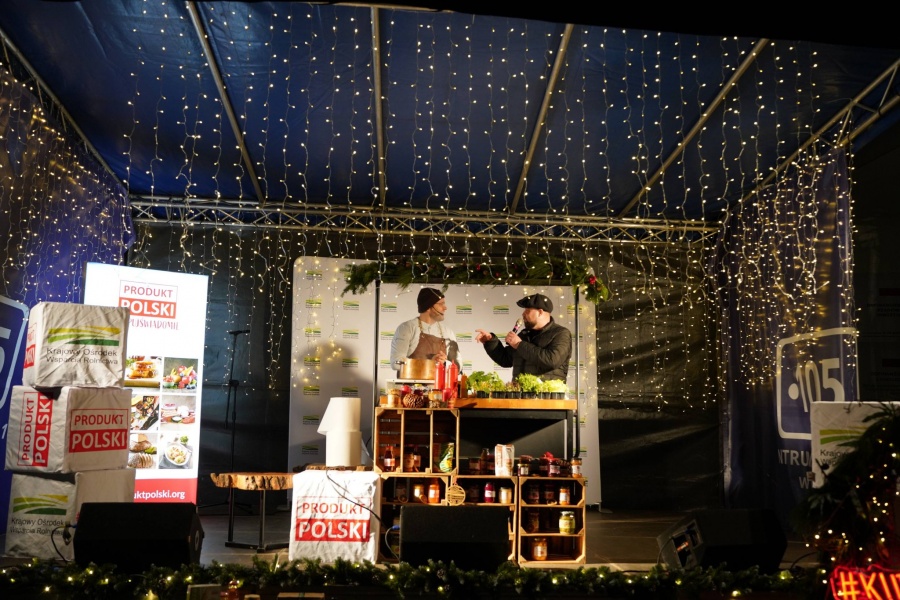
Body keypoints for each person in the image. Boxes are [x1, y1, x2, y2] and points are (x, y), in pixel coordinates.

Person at [474, 293, 572, 382]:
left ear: (540, 312)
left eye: (527, 310)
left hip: (547, 394)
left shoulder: (561, 333)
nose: (523, 314)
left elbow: (552, 360)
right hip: (520, 393)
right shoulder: (524, 335)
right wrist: (490, 341)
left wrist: (519, 344)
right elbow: (505, 359)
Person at [391, 287, 460, 369]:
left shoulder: (448, 332)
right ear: (428, 307)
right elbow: (396, 363)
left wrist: (445, 363)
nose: (445, 308)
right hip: (412, 378)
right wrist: (429, 363)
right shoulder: (407, 328)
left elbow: (458, 367)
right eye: (441, 304)